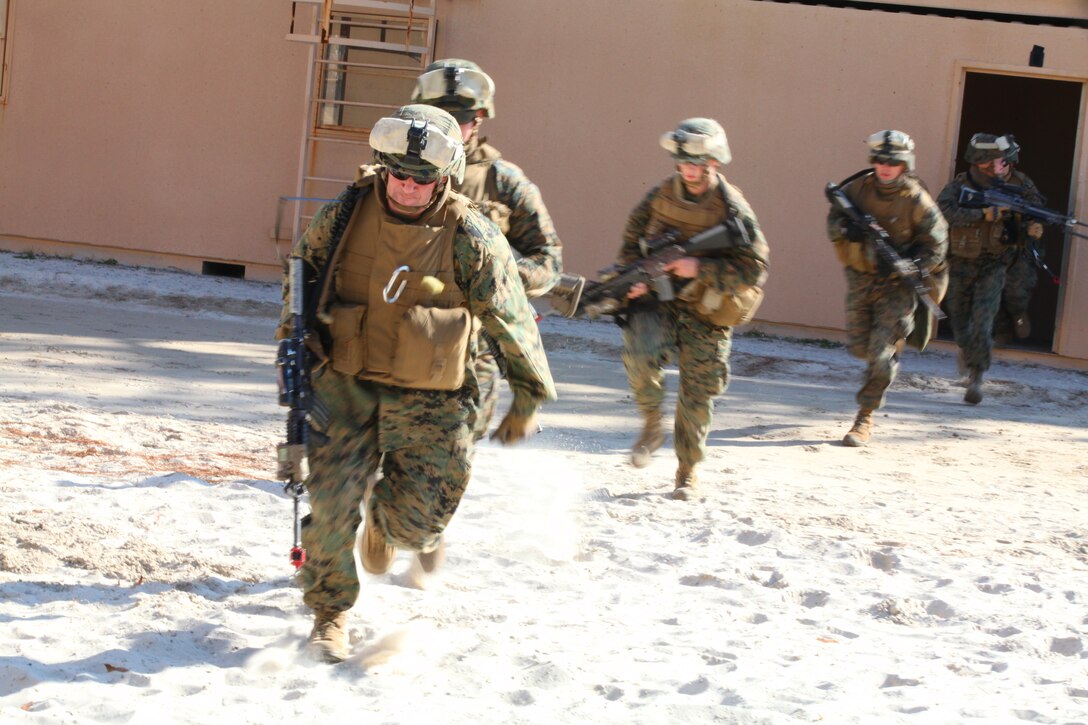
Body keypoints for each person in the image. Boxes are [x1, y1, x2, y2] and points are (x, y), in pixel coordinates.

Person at [276, 104, 556, 663]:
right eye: (397, 174)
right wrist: (292, 346)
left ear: (443, 176)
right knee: (330, 506)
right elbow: (302, 281)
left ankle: (388, 524)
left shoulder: (471, 234)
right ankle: (330, 613)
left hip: (434, 397)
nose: (406, 187)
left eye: (421, 178)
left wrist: (528, 393)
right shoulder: (346, 212)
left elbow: (511, 318)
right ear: (382, 167)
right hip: (346, 383)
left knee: (418, 525)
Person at [411, 59, 563, 441]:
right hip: (401, 322)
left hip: (469, 337)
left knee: (455, 442)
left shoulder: (503, 180)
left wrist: (498, 274)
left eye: (458, 118)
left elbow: (549, 261)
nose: (446, 127)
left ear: (478, 119)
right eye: (437, 115)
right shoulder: (396, 174)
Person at [619, 118, 769, 500]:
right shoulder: (660, 196)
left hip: (708, 310)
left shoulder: (732, 207)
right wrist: (631, 278)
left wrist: (700, 267)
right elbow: (631, 243)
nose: (688, 170)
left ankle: (687, 472)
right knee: (639, 355)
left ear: (714, 163)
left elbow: (755, 267)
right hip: (662, 301)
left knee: (698, 394)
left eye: (697, 163)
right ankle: (652, 424)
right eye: (683, 162)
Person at [827, 130, 948, 446]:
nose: (885, 166)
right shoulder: (857, 189)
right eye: (880, 159)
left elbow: (937, 243)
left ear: (904, 163)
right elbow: (834, 218)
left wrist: (914, 266)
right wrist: (846, 228)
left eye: (892, 161)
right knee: (859, 347)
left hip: (897, 287)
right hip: (862, 279)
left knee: (881, 354)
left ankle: (864, 418)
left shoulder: (916, 199)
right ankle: (876, 372)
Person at [937, 133, 1044, 404]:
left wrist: (1034, 225)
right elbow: (943, 212)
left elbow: (1037, 208)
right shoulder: (961, 185)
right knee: (960, 322)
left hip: (996, 262)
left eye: (1002, 164)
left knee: (983, 321)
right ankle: (965, 350)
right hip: (961, 262)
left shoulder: (1019, 185)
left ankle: (977, 376)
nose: (998, 169)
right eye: (990, 165)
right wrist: (981, 214)